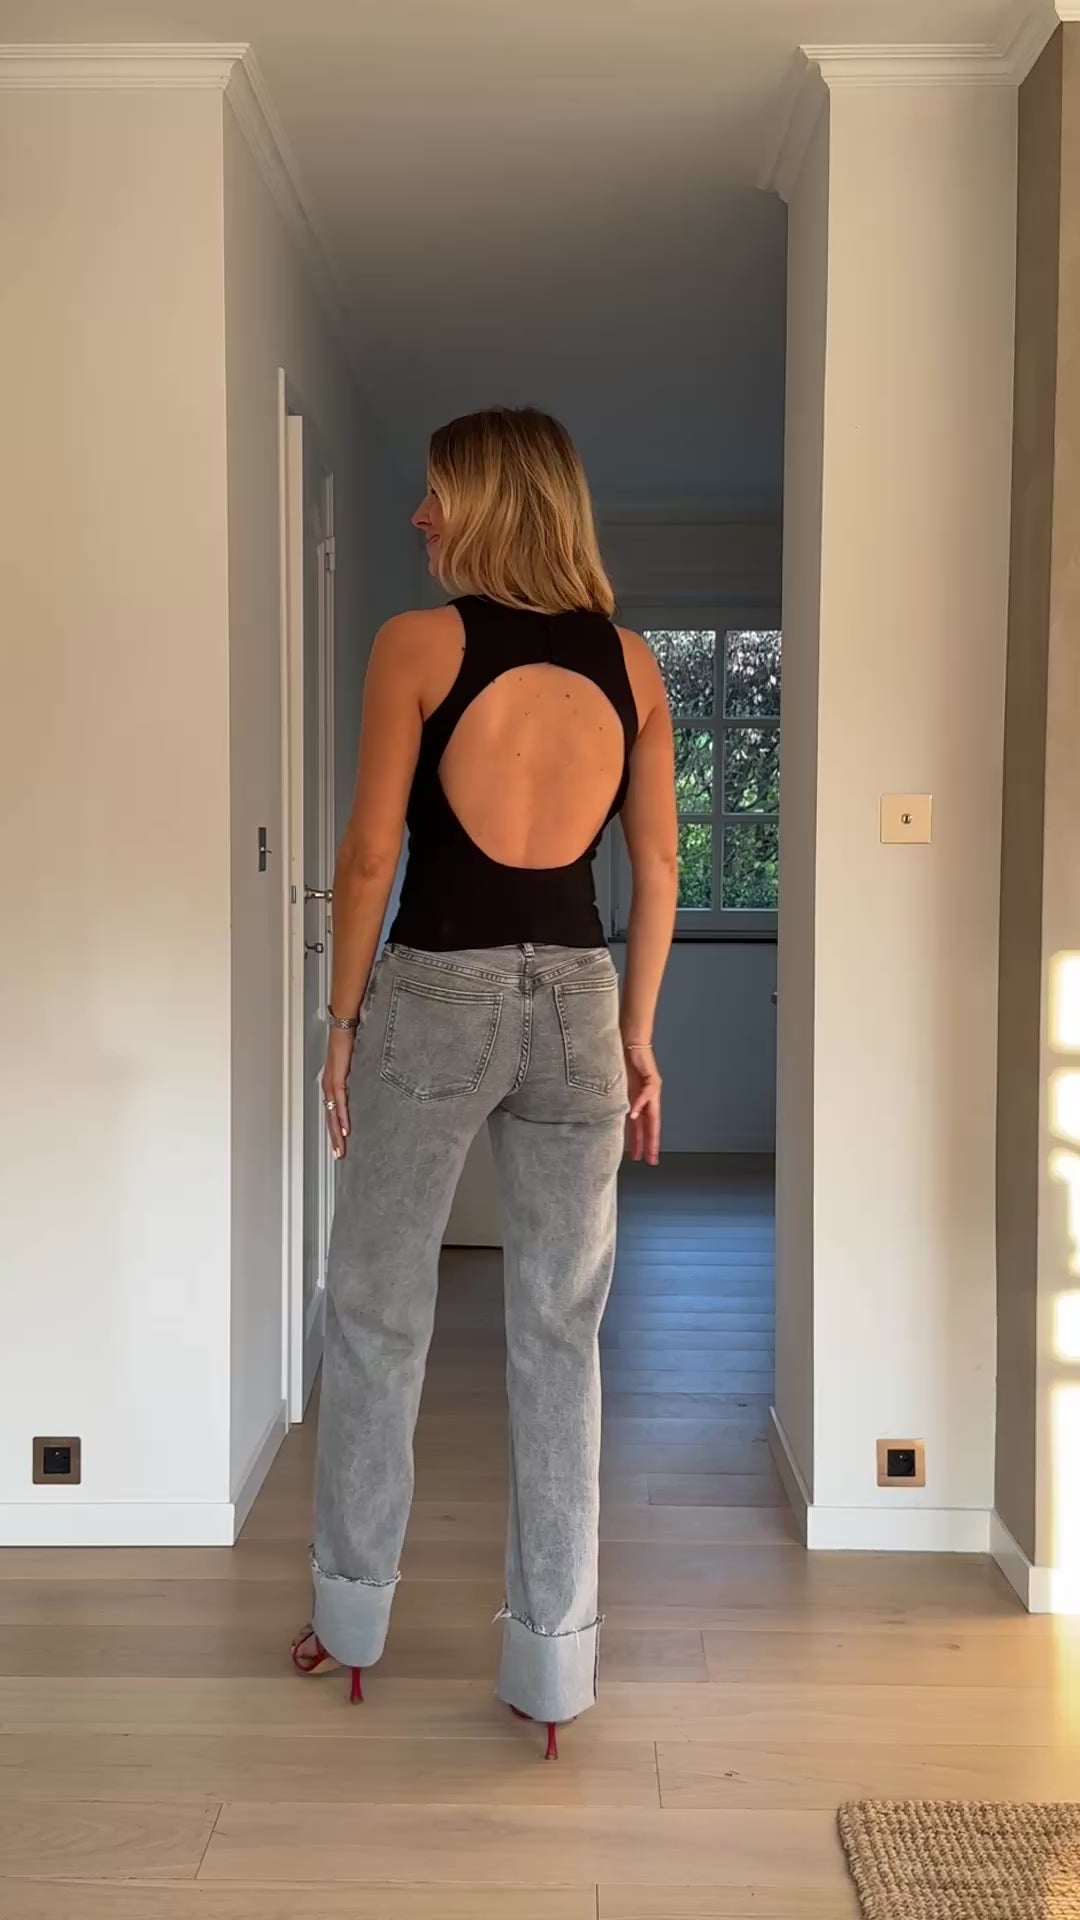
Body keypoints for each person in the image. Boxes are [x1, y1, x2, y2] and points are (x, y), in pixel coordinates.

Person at [291, 406, 677, 1756]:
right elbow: (659, 867)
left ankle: (350, 1624)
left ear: (496, 502)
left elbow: (367, 855)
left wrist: (341, 1023)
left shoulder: (418, 646)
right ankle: (552, 1670)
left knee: (376, 1313)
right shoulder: (632, 664)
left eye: (437, 493)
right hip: (579, 1002)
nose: (419, 516)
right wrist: (638, 1036)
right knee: (561, 1335)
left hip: (435, 998)